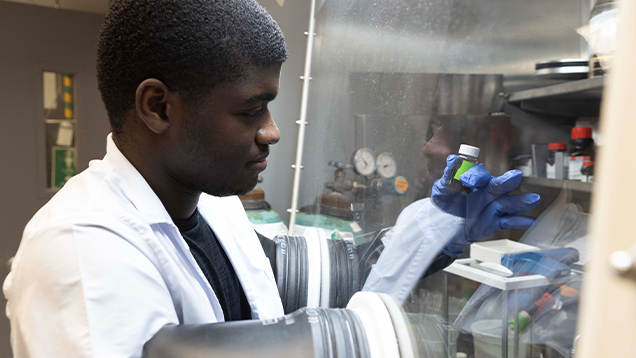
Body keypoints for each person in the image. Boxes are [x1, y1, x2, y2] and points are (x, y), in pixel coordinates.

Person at [3, 1, 540, 357]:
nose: (272, 132)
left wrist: (434, 231)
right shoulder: (80, 248)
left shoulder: (205, 206)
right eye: (250, 111)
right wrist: (375, 339)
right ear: (158, 107)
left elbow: (288, 278)